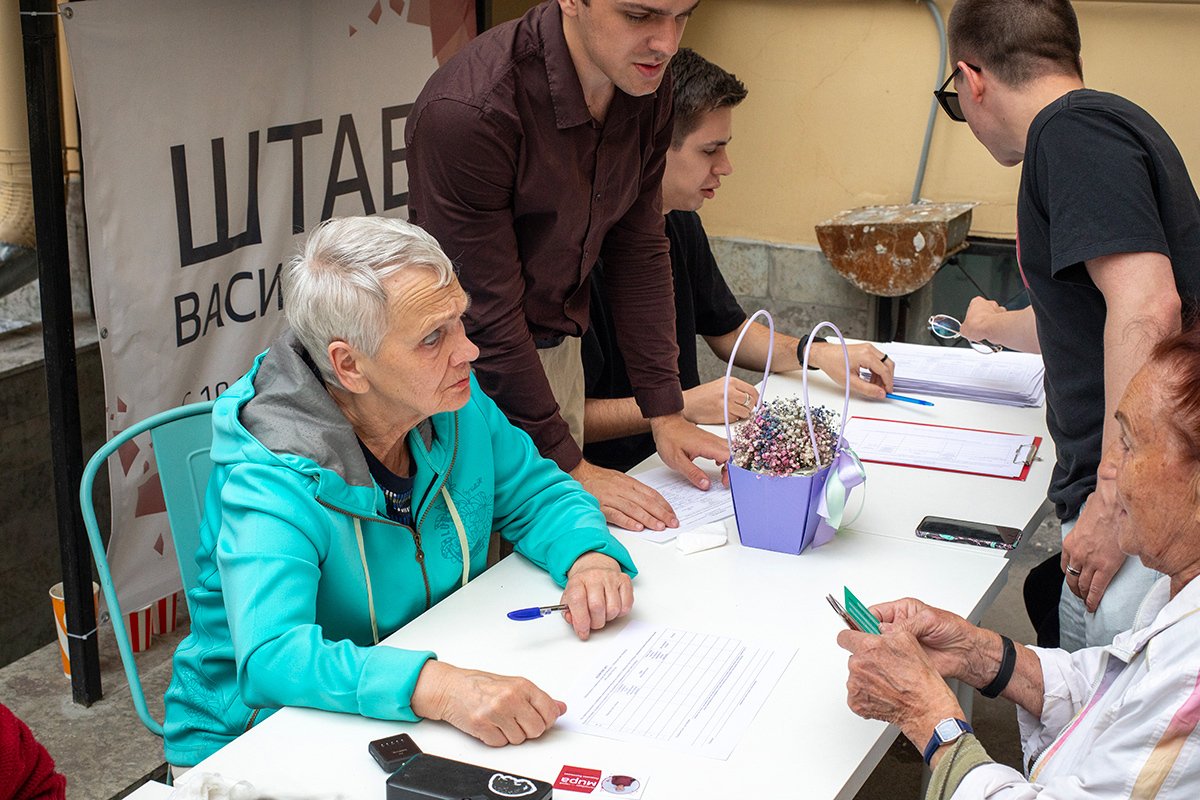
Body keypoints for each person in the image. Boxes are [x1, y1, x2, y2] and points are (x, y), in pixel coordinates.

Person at [162, 217, 637, 768]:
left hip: (411, 689)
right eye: (433, 338)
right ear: (348, 365)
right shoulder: (270, 475)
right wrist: (437, 687)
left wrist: (588, 557)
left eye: (460, 321)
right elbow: (273, 657)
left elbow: (536, 494)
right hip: (254, 739)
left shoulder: (449, 400)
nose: (469, 352)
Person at [405, 0, 729, 535]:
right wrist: (570, 465)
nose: (667, 43)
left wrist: (665, 411)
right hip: (464, 377)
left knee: (579, 557)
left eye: (682, 16)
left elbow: (640, 248)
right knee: (489, 571)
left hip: (556, 355)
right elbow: (485, 315)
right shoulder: (471, 111)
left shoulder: (647, 83)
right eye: (640, 16)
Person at [838, 322, 1200, 798]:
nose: (1107, 470)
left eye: (1129, 445)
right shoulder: (1178, 597)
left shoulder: (1190, 685)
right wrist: (976, 651)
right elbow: (1112, 694)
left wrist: (928, 718)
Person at [941, 0, 1200, 650]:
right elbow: (1094, 312)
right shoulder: (1098, 128)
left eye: (955, 98)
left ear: (973, 80)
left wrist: (1115, 499)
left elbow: (1147, 308)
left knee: (1098, 731)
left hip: (1144, 504)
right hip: (1149, 488)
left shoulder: (1071, 132)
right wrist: (998, 323)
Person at [582, 48, 894, 475]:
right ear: (653, 147)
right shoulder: (577, 254)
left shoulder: (679, 221)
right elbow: (560, 417)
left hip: (676, 461)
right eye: (711, 150)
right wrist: (675, 406)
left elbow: (726, 330)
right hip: (608, 479)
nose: (726, 167)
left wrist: (813, 353)